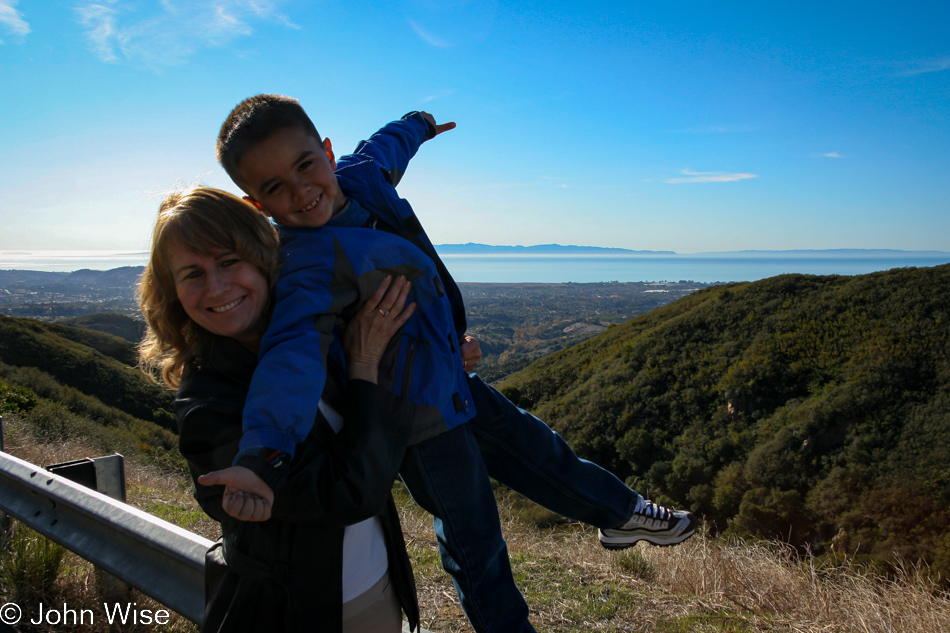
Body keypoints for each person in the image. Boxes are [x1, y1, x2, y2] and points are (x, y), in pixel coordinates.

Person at [215, 95, 698, 633]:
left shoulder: (363, 176)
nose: (301, 191)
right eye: (274, 188)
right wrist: (264, 452)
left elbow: (387, 146)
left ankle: (620, 515)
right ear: (256, 204)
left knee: (542, 450)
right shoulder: (305, 261)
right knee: (476, 541)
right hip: (414, 421)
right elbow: (291, 356)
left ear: (327, 154)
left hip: (451, 379)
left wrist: (417, 122)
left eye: (305, 166)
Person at [137, 187, 421, 633]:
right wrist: (365, 364)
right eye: (193, 273)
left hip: (381, 584)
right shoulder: (209, 404)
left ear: (263, 257)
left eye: (229, 261)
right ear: (173, 291)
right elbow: (351, 491)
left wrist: (455, 351)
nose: (217, 287)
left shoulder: (312, 337)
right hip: (306, 612)